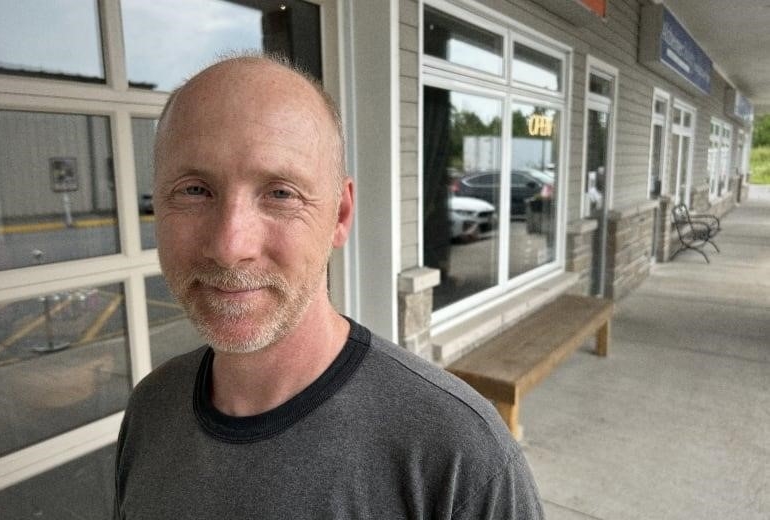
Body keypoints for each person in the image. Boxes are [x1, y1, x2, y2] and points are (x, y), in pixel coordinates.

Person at [114, 53, 544, 520]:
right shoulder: (152, 407)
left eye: (280, 193)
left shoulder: (457, 454)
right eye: (195, 190)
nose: (229, 245)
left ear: (340, 215)